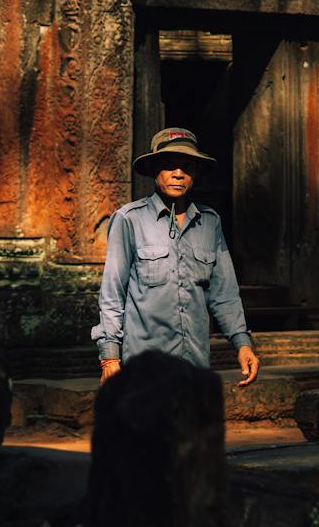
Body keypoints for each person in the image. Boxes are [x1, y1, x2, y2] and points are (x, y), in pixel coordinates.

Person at [93, 127, 260, 386]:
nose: (178, 174)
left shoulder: (209, 222)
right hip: (143, 366)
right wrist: (109, 356)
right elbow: (113, 293)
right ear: (155, 171)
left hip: (194, 365)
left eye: (187, 167)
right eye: (170, 166)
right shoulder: (130, 219)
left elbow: (224, 293)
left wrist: (242, 343)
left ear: (196, 174)